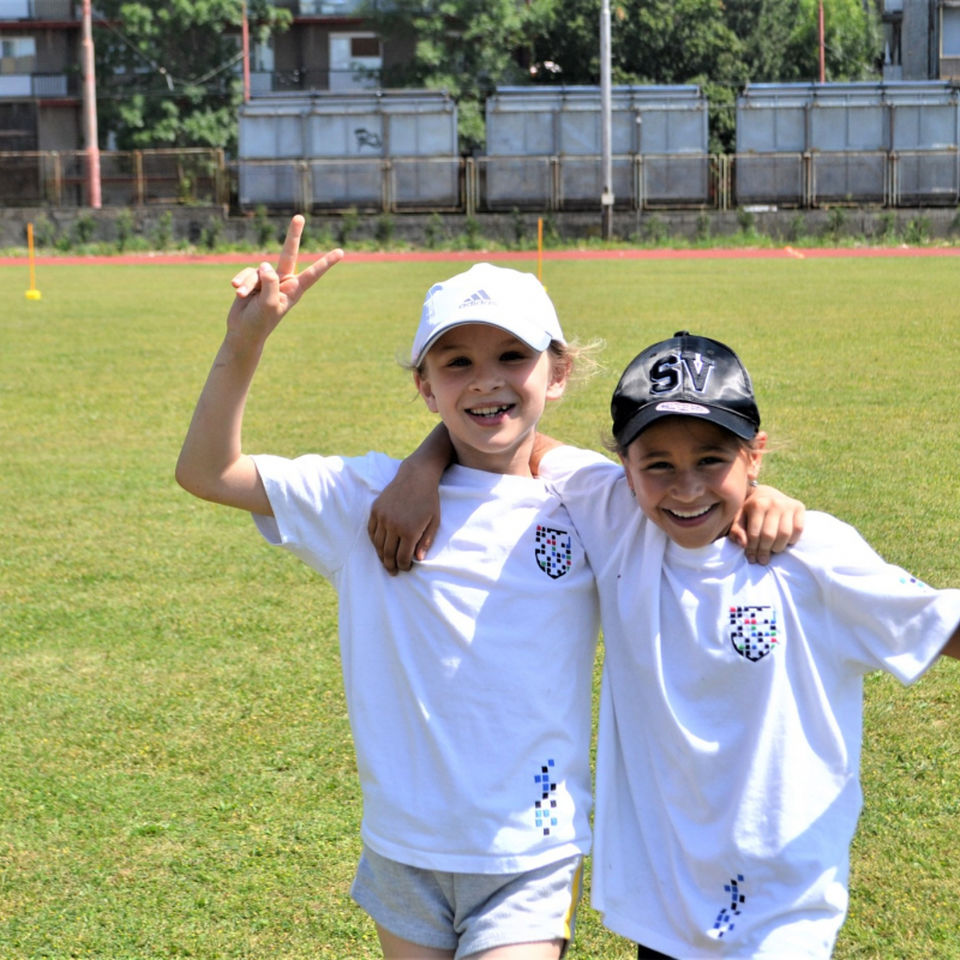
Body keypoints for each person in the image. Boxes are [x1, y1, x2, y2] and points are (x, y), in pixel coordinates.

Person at [368, 331, 960, 958]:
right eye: (658, 464)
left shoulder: (809, 554)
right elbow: (503, 431)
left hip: (781, 913)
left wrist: (766, 500)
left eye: (712, 460)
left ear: (754, 455)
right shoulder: (617, 515)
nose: (685, 487)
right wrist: (421, 466)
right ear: (624, 466)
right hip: (664, 911)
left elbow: (941, 627)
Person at [175, 214, 604, 960]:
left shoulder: (589, 496)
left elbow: (687, 484)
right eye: (455, 363)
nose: (486, 380)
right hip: (405, 847)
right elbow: (206, 473)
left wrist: (766, 502)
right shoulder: (362, 497)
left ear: (558, 373)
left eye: (512, 355)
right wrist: (245, 341)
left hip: (529, 853)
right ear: (424, 386)